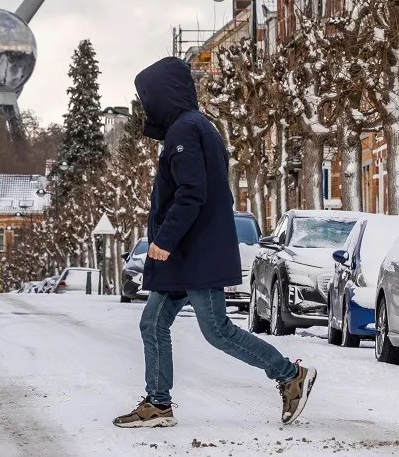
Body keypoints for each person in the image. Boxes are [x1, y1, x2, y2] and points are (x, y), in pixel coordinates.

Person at [113, 57, 316, 429]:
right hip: (187, 253)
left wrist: (165, 240)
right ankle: (158, 403)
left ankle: (289, 375)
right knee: (152, 323)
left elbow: (192, 193)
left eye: (148, 98)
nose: (147, 107)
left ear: (163, 95)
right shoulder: (193, 127)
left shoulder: (185, 131)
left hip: (192, 254)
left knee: (217, 330)